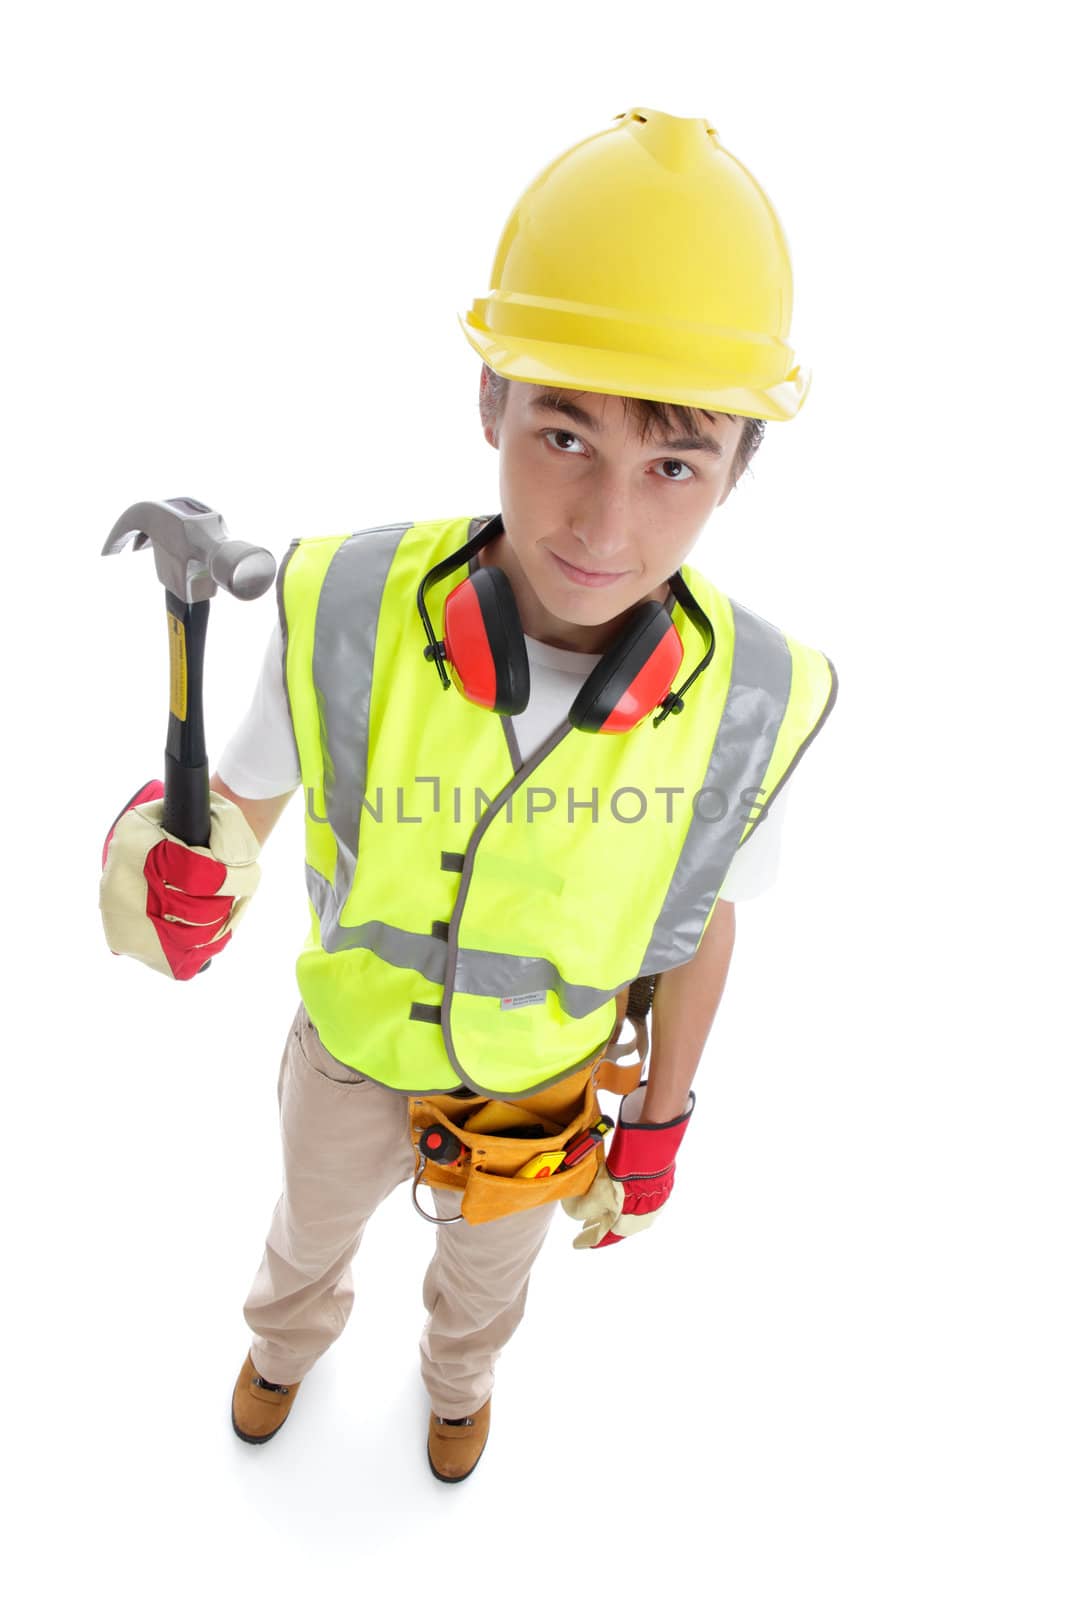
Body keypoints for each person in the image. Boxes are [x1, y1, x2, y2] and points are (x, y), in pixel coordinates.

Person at [100, 105, 839, 1485]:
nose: (606, 524)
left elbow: (705, 925)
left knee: (490, 1287)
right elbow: (235, 812)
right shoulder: (348, 605)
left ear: (741, 468)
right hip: (351, 1052)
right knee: (306, 1229)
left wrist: (661, 1120)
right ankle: (283, 1346)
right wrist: (163, 861)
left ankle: (455, 1384)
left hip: (543, 1081)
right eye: (565, 436)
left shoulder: (755, 702)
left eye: (675, 463)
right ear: (491, 399)